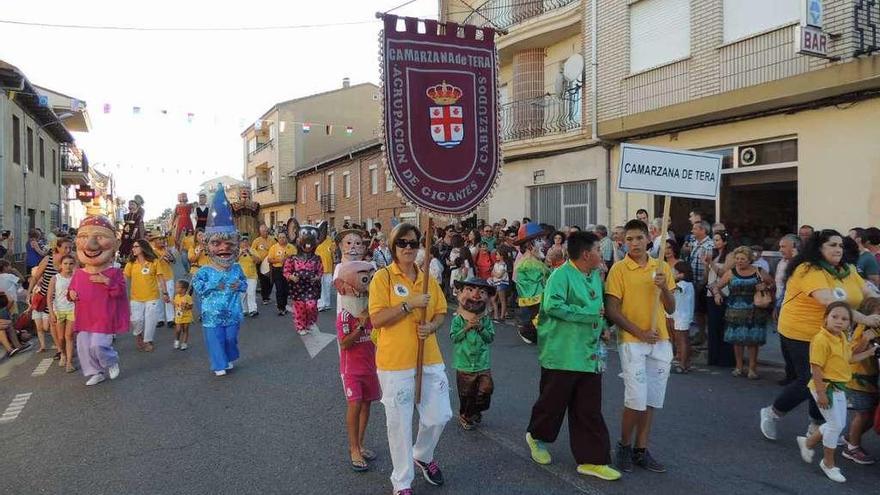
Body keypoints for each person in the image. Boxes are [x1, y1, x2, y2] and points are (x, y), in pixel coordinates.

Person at [760, 229, 880, 442]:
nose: (838, 249)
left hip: (833, 333)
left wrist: (876, 309)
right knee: (810, 380)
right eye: (832, 245)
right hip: (800, 332)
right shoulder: (808, 270)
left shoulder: (848, 270)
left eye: (840, 245)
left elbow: (869, 294)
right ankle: (772, 413)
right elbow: (830, 302)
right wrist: (866, 319)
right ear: (818, 248)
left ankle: (815, 425)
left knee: (827, 378)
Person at [525, 231, 621, 481]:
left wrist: (602, 329)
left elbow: (600, 312)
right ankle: (536, 437)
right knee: (552, 404)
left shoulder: (594, 277)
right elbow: (553, 307)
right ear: (587, 254)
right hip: (562, 353)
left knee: (589, 409)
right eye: (599, 250)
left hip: (589, 354)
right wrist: (590, 315)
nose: (602, 254)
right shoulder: (560, 275)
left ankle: (593, 460)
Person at [368, 223, 451, 495]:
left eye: (413, 243)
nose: (407, 248)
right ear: (393, 247)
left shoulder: (427, 278)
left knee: (439, 415)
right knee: (399, 424)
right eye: (402, 243)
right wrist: (409, 304)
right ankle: (402, 481)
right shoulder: (384, 278)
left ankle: (423, 455)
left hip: (428, 356)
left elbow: (440, 312)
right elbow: (376, 319)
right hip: (395, 362)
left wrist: (432, 327)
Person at [605, 219, 676, 473]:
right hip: (633, 342)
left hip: (660, 342)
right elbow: (613, 311)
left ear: (649, 239)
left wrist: (664, 287)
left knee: (652, 400)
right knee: (635, 398)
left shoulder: (662, 267)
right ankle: (623, 445)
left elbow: (671, 307)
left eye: (638, 238)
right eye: (629, 239)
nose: (634, 243)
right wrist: (640, 332)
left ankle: (641, 449)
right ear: (624, 242)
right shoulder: (619, 270)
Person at [795, 302, 878, 483]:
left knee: (837, 424)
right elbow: (816, 368)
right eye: (835, 317)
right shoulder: (821, 339)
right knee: (835, 425)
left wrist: (870, 352)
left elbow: (849, 358)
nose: (839, 321)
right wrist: (821, 393)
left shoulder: (841, 337)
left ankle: (808, 442)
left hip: (839, 387)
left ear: (849, 323)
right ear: (826, 318)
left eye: (844, 319)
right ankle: (828, 463)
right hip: (826, 387)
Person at [191, 184, 247, 376]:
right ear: (208, 246)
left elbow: (244, 285)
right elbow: (198, 288)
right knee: (216, 340)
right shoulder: (204, 271)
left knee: (230, 339)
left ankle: (228, 357)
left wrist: (239, 285)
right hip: (211, 315)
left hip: (232, 312)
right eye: (217, 243)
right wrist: (214, 285)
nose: (224, 248)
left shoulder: (237, 268)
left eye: (228, 243)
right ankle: (219, 364)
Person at [68, 216, 127, 386]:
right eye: (84, 237)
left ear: (114, 244)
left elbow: (120, 292)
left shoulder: (114, 272)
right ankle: (95, 372)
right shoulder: (79, 273)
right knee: (84, 346)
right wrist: (71, 293)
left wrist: (107, 282)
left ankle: (111, 360)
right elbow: (71, 290)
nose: (89, 245)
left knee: (98, 345)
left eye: (99, 237)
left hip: (104, 315)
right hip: (84, 315)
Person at [335, 260, 380, 472]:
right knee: (355, 405)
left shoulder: (372, 310)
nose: (369, 283)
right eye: (365, 279)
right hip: (351, 370)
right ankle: (353, 448)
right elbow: (344, 343)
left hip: (370, 367)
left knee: (367, 404)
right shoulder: (345, 315)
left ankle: (361, 444)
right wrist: (361, 325)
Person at [711, 246, 773, 379]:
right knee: (737, 340)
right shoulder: (731, 272)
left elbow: (773, 284)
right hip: (735, 310)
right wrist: (717, 295)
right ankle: (738, 367)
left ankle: (752, 369)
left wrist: (766, 287)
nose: (739, 261)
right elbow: (716, 286)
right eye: (737, 258)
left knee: (752, 341)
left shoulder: (759, 271)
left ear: (750, 259)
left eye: (743, 259)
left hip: (754, 310)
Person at [450, 277, 495, 431]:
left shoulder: (486, 320)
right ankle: (466, 415)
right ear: (461, 293)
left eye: (481, 292)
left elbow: (490, 338)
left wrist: (481, 328)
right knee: (466, 394)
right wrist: (467, 327)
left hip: (482, 363)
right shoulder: (458, 320)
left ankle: (476, 410)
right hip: (464, 363)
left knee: (486, 389)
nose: (476, 295)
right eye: (470, 290)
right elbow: (454, 337)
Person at [841, 297, 880, 465]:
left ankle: (850, 437)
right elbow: (851, 354)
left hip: (872, 379)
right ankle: (852, 448)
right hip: (858, 379)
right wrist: (865, 339)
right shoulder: (864, 328)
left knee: (872, 416)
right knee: (863, 414)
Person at [124, 239, 170, 352]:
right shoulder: (131, 263)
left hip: (152, 296)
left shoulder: (154, 262)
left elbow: (160, 278)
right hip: (136, 297)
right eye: (133, 247)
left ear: (143, 248)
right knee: (136, 320)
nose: (133, 249)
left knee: (151, 319)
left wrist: (165, 293)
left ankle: (147, 340)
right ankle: (139, 335)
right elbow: (124, 278)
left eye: (136, 247)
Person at [30, 238, 72, 357]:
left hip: (65, 299)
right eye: (66, 247)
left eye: (70, 248)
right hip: (48, 298)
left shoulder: (71, 261)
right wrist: (29, 292)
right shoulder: (48, 260)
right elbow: (36, 276)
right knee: (51, 324)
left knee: (66, 326)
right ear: (58, 248)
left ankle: (65, 348)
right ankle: (60, 349)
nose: (68, 250)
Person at [284, 220, 325, 335]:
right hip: (298, 288)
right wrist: (291, 277)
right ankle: (300, 326)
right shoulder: (292, 258)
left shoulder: (317, 258)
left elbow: (320, 270)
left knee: (311, 306)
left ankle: (310, 322)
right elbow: (286, 271)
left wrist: (317, 277)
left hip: (312, 287)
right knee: (300, 307)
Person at [513, 223, 550, 345]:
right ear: (529, 244)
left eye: (543, 239)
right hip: (537, 314)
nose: (544, 243)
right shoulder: (528, 265)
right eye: (539, 240)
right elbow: (534, 295)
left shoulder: (535, 262)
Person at [706, 231, 735, 367]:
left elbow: (724, 273)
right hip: (711, 291)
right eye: (714, 240)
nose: (715, 242)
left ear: (725, 241)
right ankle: (714, 357)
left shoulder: (730, 255)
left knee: (723, 325)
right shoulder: (715, 254)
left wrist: (710, 262)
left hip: (724, 292)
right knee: (713, 326)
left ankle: (726, 358)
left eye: (718, 240)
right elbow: (710, 273)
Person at [775, 234, 801, 386]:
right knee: (784, 344)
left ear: (795, 248)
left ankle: (799, 376)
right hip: (781, 305)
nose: (780, 249)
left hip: (794, 308)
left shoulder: (800, 265)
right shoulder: (781, 263)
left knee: (794, 346)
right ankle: (790, 374)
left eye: (784, 246)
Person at [47, 254, 77, 373]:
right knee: (60, 337)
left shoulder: (75, 277)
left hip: (72, 309)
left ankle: (69, 363)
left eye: (70, 264)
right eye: (65, 264)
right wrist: (51, 313)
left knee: (69, 336)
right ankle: (63, 354)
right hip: (58, 310)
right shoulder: (55, 278)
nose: (68, 266)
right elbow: (49, 297)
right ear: (60, 265)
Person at [670, 261, 695, 374]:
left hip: (682, 316)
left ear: (682, 273)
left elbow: (673, 289)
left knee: (682, 340)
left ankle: (683, 364)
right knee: (684, 340)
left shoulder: (683, 284)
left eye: (675, 272)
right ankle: (687, 363)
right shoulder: (688, 284)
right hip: (682, 315)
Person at [150, 232, 176, 328]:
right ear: (154, 242)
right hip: (157, 278)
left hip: (168, 276)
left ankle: (170, 319)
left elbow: (173, 261)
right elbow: (153, 264)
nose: (161, 241)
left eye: (162, 239)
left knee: (169, 297)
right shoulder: (152, 252)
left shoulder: (167, 250)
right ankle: (160, 319)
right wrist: (162, 256)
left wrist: (170, 256)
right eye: (159, 239)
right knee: (159, 299)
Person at [267, 232, 296, 316]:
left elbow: (297, 258)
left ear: (286, 238)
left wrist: (289, 258)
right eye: (280, 237)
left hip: (289, 270)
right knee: (279, 289)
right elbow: (269, 260)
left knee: (286, 289)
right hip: (278, 269)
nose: (282, 239)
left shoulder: (291, 247)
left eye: (283, 237)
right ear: (278, 238)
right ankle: (281, 308)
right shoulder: (274, 247)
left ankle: (284, 304)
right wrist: (279, 260)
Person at [252, 225, 274, 305]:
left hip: (271, 263)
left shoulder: (272, 240)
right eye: (263, 231)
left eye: (266, 231)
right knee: (263, 280)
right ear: (260, 232)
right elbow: (252, 250)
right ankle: (265, 297)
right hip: (260, 263)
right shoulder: (256, 241)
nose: (265, 232)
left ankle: (267, 295)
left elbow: (275, 248)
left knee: (271, 280)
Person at [237, 235, 259, 317]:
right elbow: (232, 261)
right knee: (242, 294)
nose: (245, 243)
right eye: (243, 241)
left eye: (246, 241)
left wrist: (249, 253)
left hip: (252, 276)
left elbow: (257, 260)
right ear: (240, 243)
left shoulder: (252, 250)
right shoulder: (237, 251)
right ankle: (244, 310)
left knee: (251, 293)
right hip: (240, 277)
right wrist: (240, 254)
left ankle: (253, 309)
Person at [487, 248, 511, 321]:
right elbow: (493, 273)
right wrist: (495, 274)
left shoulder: (504, 265)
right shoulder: (496, 264)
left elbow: (498, 275)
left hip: (502, 283)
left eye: (497, 254)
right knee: (494, 299)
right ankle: (496, 315)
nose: (496, 256)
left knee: (502, 300)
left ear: (502, 256)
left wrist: (494, 273)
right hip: (496, 283)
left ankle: (501, 316)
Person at [316, 232, 336, 311]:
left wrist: (334, 265)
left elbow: (333, 253)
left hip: (329, 267)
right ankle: (321, 304)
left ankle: (327, 304)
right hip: (319, 268)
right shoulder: (316, 240)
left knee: (327, 286)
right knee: (321, 287)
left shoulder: (329, 240)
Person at [173, 280, 193, 350]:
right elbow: (175, 305)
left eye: (178, 287)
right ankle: (177, 340)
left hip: (186, 316)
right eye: (176, 287)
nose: (176, 289)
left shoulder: (188, 297)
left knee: (185, 329)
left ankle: (184, 343)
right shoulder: (176, 297)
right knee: (178, 330)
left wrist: (186, 306)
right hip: (178, 316)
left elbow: (191, 306)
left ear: (184, 289)